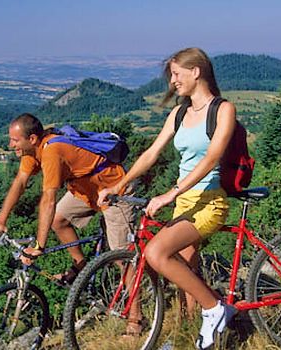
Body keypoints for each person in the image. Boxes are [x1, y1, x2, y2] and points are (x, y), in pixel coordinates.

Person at [98, 47, 237, 350]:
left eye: (176, 73)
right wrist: (120, 184)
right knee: (185, 270)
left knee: (156, 253)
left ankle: (215, 309)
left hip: (209, 201)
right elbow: (151, 153)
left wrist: (170, 193)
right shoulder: (179, 113)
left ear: (195, 71)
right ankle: (192, 336)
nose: (172, 81)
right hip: (185, 203)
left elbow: (212, 158)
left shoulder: (223, 109)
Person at [0, 113, 133, 284]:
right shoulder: (30, 151)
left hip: (114, 191)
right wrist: (1, 219)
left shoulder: (52, 152)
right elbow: (20, 182)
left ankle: (135, 310)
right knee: (58, 220)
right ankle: (81, 267)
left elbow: (48, 200)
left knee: (122, 258)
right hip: (86, 191)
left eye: (15, 140)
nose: (10, 145)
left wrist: (38, 247)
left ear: (32, 138)